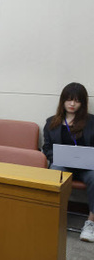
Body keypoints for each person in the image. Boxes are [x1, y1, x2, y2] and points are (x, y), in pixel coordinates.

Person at [42, 82, 94, 242]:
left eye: (77, 101)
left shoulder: (91, 122)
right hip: (63, 163)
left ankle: (90, 223)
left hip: (87, 167)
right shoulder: (52, 122)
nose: (72, 104)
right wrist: (56, 156)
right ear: (62, 100)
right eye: (69, 100)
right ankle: (54, 216)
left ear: (82, 103)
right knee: (55, 170)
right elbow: (47, 147)